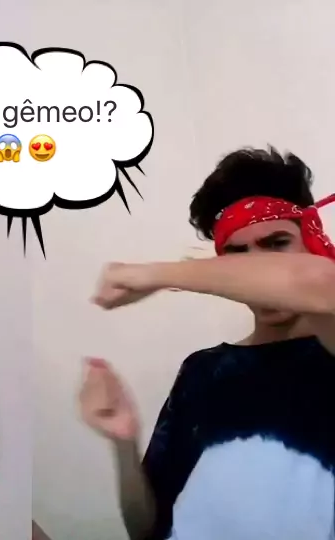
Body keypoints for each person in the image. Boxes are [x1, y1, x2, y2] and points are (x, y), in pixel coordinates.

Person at [80, 146, 335, 540]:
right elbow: (144, 527)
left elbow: (318, 284)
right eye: (237, 253)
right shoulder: (203, 369)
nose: (256, 267)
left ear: (312, 241)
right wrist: (123, 441)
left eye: (276, 243)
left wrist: (156, 275)